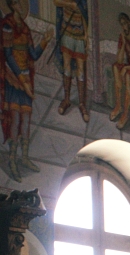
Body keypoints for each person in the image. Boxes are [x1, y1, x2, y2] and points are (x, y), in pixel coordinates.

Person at [1, 0, 51, 180]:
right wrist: (20, 76)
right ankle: (12, 159)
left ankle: (24, 157)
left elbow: (33, 55)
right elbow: (7, 54)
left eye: (22, 4)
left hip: (25, 77)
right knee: (15, 118)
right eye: (17, 4)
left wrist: (45, 42)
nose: (21, 7)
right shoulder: (7, 25)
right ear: (11, 6)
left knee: (27, 119)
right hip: (14, 78)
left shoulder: (25, 28)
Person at [53, 0, 88, 121]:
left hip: (79, 34)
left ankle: (82, 103)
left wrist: (86, 35)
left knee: (80, 69)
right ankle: (66, 99)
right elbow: (56, 2)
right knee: (67, 66)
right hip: (66, 31)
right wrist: (70, 5)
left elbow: (84, 11)